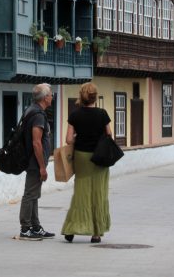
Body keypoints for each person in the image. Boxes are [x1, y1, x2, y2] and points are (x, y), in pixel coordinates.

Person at [61, 82, 112, 243]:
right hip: (100, 157)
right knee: (99, 192)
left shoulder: (75, 115)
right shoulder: (102, 114)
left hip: (82, 156)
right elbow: (109, 135)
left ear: (81, 96)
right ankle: (96, 233)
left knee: (81, 191)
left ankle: (71, 229)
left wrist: (79, 138)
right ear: (95, 97)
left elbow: (68, 139)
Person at [18, 83, 56, 240]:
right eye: (51, 94)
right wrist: (42, 167)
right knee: (30, 194)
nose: (52, 97)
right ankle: (25, 228)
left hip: (33, 160)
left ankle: (35, 226)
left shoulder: (32, 110)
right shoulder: (38, 115)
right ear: (45, 97)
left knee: (34, 194)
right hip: (35, 161)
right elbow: (36, 142)